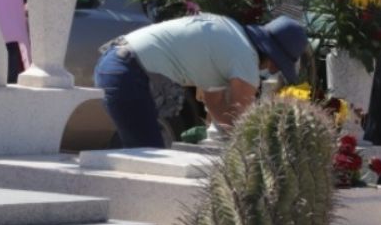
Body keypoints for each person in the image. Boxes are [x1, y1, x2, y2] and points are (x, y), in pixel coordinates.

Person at [94, 13, 308, 147]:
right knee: (146, 155)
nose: (272, 71)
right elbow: (241, 117)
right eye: (278, 66)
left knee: (138, 153)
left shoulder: (230, 35)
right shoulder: (246, 58)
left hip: (113, 64)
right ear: (273, 57)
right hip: (129, 74)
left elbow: (214, 104)